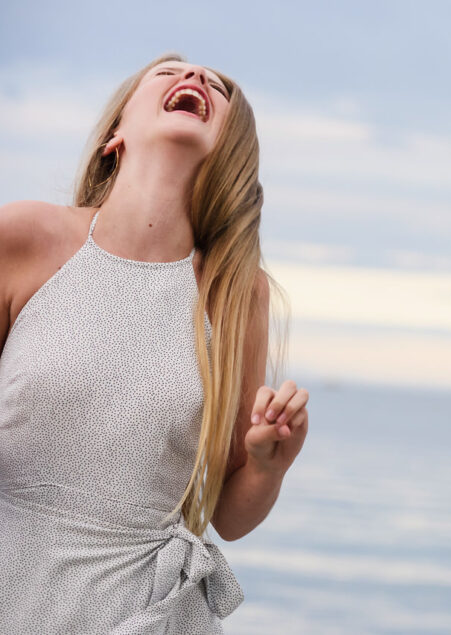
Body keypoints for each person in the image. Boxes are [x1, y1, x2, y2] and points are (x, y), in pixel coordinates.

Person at [0, 54, 308, 633]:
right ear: (115, 135)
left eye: (215, 86)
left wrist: (270, 466)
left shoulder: (237, 293)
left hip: (151, 615)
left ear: (227, 152)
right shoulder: (22, 238)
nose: (194, 80)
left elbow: (231, 516)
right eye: (168, 74)